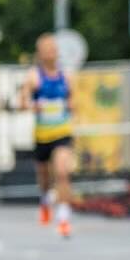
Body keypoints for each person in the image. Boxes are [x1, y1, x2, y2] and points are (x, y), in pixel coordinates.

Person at [20, 34, 78, 239]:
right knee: (45, 177)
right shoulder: (34, 76)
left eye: (53, 49)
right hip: (42, 135)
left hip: (62, 133)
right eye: (46, 49)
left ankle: (63, 219)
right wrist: (31, 105)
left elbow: (73, 102)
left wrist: (71, 106)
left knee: (62, 173)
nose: (50, 53)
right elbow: (23, 101)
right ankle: (45, 199)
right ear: (40, 53)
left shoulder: (66, 76)